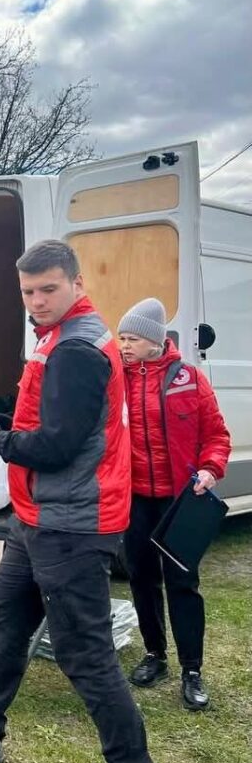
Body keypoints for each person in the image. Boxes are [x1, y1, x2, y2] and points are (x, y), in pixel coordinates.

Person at [0, 240, 161, 763]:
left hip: (72, 524)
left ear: (77, 284)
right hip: (39, 518)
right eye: (28, 291)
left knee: (86, 654)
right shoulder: (58, 337)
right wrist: (9, 425)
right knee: (8, 615)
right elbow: (56, 421)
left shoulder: (77, 348)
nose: (37, 301)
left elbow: (57, 447)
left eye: (48, 289)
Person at [117, 298, 230, 711]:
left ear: (154, 341)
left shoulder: (189, 379)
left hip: (178, 499)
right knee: (141, 577)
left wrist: (210, 469)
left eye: (131, 339)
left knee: (182, 582)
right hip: (134, 498)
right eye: (121, 338)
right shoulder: (117, 381)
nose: (124, 346)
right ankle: (155, 654)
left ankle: (192, 669)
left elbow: (216, 435)